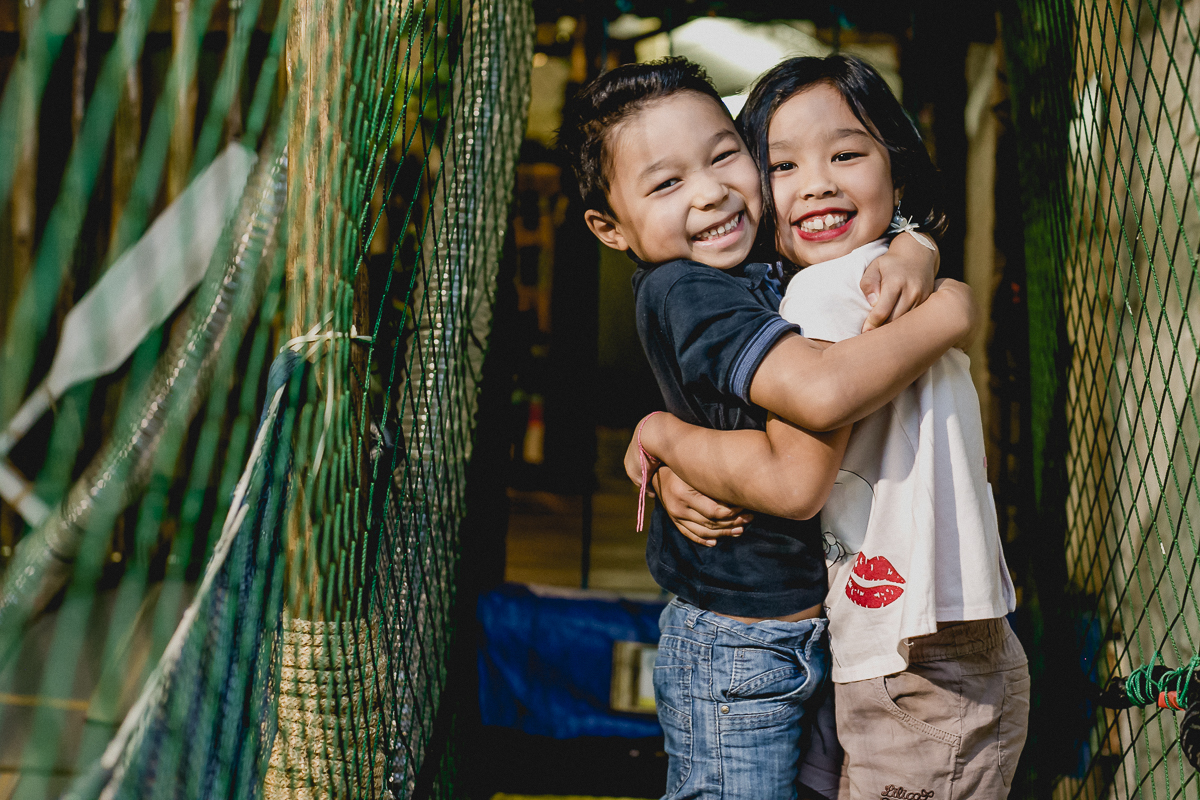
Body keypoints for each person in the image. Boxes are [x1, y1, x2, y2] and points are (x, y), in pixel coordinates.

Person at [559, 56, 976, 800]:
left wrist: (918, 244)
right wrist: (951, 309)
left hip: (794, 631)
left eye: (725, 157)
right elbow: (807, 428)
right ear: (608, 226)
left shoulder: (745, 264)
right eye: (667, 182)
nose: (712, 191)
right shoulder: (686, 287)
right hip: (739, 645)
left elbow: (860, 235)